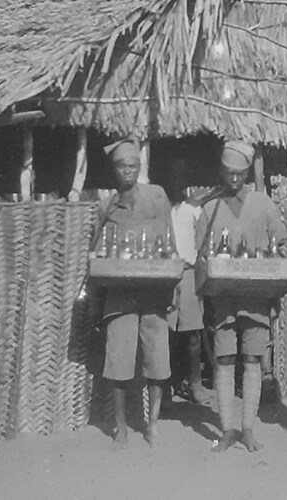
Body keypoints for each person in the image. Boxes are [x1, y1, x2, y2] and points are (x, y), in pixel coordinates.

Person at [196, 140, 287, 453]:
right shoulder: (210, 208)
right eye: (229, 172)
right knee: (223, 359)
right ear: (221, 171)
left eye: (240, 173)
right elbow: (200, 256)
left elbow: (280, 248)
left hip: (256, 297)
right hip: (222, 300)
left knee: (252, 360)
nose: (234, 178)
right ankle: (226, 430)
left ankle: (247, 429)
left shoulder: (264, 204)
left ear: (248, 171)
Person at [94, 139, 172, 449]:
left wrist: (170, 284)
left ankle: (152, 425)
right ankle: (122, 428)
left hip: (153, 292)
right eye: (122, 166)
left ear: (139, 168)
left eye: (133, 166)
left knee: (157, 362)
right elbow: (96, 251)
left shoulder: (156, 197)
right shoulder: (107, 205)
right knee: (119, 363)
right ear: (114, 170)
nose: (128, 171)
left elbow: (170, 242)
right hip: (120, 295)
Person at [164, 161, 214, 406]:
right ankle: (165, 386)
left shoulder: (194, 210)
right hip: (165, 276)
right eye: (172, 179)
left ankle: (194, 384)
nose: (177, 184)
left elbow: (204, 242)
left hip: (189, 273)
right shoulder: (161, 209)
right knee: (166, 333)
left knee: (192, 334)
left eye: (180, 180)